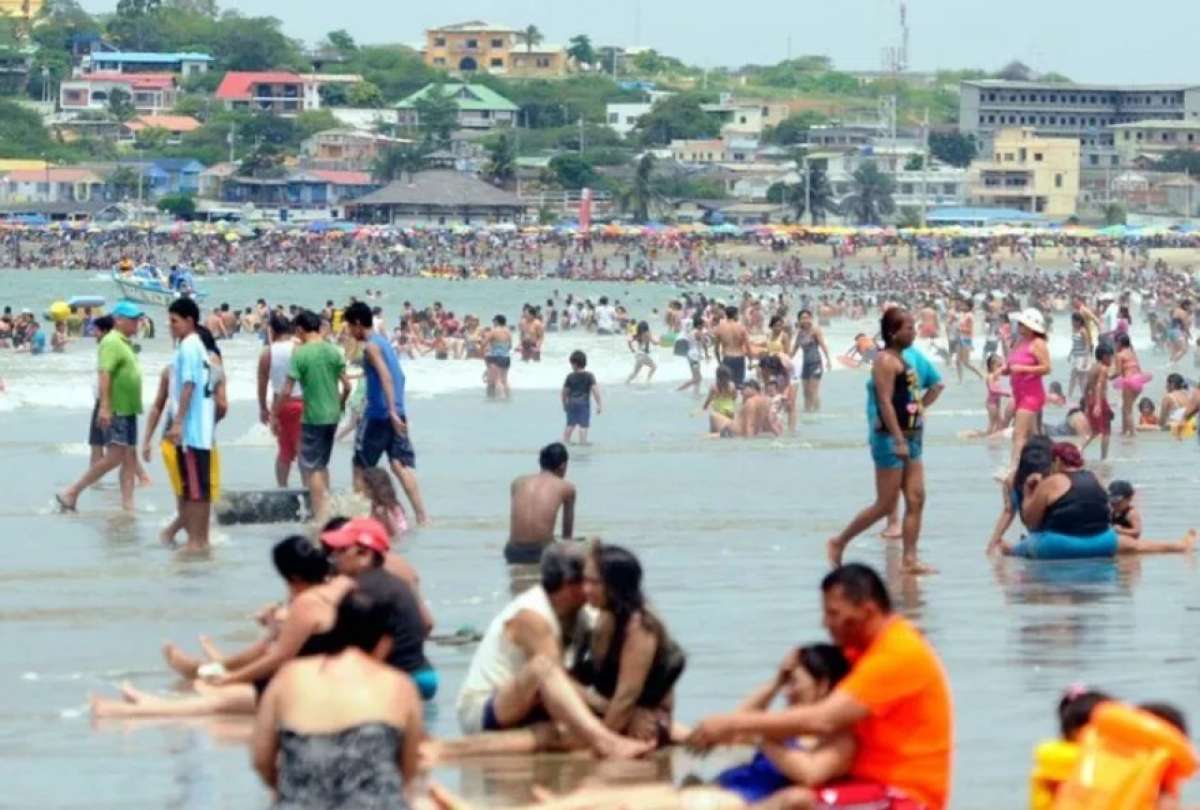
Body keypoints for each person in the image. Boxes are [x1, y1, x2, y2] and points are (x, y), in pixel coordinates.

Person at [686, 564, 953, 810]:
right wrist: (777, 682)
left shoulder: (897, 654)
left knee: (796, 801)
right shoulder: (860, 651)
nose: (825, 623)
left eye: (833, 613)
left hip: (904, 793)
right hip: (860, 782)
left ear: (867, 611)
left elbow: (823, 720)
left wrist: (733, 724)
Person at [91, 535, 350, 718]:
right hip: (325, 684)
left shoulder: (307, 604)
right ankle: (148, 701)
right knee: (212, 693)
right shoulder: (334, 591)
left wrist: (231, 678)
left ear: (291, 577)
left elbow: (279, 656)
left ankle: (119, 711)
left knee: (216, 700)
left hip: (313, 693)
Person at [450, 543, 649, 758]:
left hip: (532, 705)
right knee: (543, 668)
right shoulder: (532, 615)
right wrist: (611, 708)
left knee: (568, 732)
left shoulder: (581, 614)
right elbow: (556, 679)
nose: (594, 587)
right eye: (589, 581)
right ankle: (605, 741)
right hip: (485, 707)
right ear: (570, 585)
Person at [252, 587, 426, 810]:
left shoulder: (289, 676)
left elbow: (262, 760)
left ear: (336, 627)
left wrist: (290, 792)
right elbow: (409, 769)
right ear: (385, 642)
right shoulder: (399, 685)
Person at [827, 308, 943, 574]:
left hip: (913, 436)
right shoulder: (884, 360)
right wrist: (899, 439)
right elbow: (884, 402)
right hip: (890, 439)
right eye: (908, 328)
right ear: (893, 332)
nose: (914, 333)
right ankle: (839, 541)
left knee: (916, 498)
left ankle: (910, 560)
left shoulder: (906, 357)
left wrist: (919, 410)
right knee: (885, 504)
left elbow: (934, 386)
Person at [571, 543, 686, 745]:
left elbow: (626, 699)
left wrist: (601, 744)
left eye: (594, 582)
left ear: (615, 586)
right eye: (585, 580)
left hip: (645, 725)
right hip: (618, 713)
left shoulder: (640, 628)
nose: (585, 589)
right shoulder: (604, 617)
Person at [320, 518, 438, 700]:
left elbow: (381, 643)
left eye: (342, 550)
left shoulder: (361, 591)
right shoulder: (394, 581)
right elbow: (426, 623)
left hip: (398, 678)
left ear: (364, 554)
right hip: (423, 672)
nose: (334, 556)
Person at [344, 302, 428, 527]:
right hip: (397, 413)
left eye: (350, 327)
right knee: (400, 465)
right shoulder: (384, 342)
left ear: (358, 324)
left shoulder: (371, 347)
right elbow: (400, 376)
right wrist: (397, 409)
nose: (349, 332)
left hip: (379, 415)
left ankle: (360, 519)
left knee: (360, 467)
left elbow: (386, 377)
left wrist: (389, 410)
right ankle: (422, 517)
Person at [57, 300, 144, 513]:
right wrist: (105, 407)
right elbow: (104, 373)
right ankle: (72, 492)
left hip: (129, 408)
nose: (138, 323)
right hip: (117, 407)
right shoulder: (111, 341)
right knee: (115, 456)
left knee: (129, 457)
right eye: (133, 319)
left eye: (138, 319)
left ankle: (128, 506)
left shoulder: (124, 342)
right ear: (119, 320)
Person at [276, 310, 350, 527]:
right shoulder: (333, 351)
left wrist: (274, 413)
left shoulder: (301, 354)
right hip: (333, 415)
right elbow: (347, 386)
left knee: (312, 468)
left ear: (300, 330)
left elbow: (287, 390)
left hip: (313, 416)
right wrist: (340, 404)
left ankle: (321, 517)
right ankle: (327, 509)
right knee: (322, 464)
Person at [161, 298, 219, 551]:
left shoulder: (188, 346)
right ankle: (201, 540)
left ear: (189, 320)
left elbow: (188, 384)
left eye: (174, 321)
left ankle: (195, 543)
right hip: (202, 431)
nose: (170, 325)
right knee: (201, 492)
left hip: (192, 433)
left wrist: (178, 422)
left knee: (194, 492)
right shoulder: (200, 347)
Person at [506, 443, 575, 565]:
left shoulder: (518, 482)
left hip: (512, 551)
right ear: (563, 466)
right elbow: (567, 537)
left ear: (541, 462)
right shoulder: (567, 488)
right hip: (541, 553)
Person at [258, 313, 304, 487]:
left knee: (284, 451)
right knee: (302, 450)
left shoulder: (267, 353)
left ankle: (282, 488)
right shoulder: (299, 348)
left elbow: (262, 384)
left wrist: (263, 408)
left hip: (280, 407)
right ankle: (308, 489)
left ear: (272, 331)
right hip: (301, 403)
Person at [1003, 308, 1051, 472]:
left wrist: (1023, 369)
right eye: (1019, 324)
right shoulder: (1019, 342)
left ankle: (1013, 469)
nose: (1019, 326)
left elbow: (1046, 368)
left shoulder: (1038, 343)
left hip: (1032, 394)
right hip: (1019, 393)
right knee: (1032, 436)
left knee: (1018, 434)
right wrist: (1005, 370)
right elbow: (1012, 364)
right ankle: (1044, 464)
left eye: (1022, 324)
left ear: (1031, 326)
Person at [1109, 480, 1197, 551]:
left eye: (1118, 501)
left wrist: (1121, 531)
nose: (1114, 504)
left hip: (1133, 544)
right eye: (1112, 501)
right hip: (1121, 544)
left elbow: (1137, 532)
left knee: (1165, 547)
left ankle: (1186, 544)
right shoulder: (1112, 512)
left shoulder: (1131, 513)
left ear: (1129, 499)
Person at [1112, 332, 1152, 438]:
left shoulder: (1119, 355)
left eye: (1115, 342)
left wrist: (1108, 376)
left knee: (1127, 409)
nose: (1114, 344)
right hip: (1138, 381)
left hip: (1129, 382)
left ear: (1119, 343)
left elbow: (1118, 373)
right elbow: (1138, 368)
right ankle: (1124, 431)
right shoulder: (1132, 353)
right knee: (1125, 407)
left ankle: (1133, 434)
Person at [709, 380, 781, 438]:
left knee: (713, 417)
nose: (741, 392)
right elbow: (771, 423)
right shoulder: (766, 401)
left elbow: (750, 426)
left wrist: (749, 444)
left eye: (743, 389)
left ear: (752, 389)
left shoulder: (751, 402)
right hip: (731, 431)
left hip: (731, 433)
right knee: (714, 418)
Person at [792, 309, 832, 412]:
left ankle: (817, 413)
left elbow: (823, 345)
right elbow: (794, 349)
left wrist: (828, 360)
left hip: (816, 363)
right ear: (799, 320)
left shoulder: (815, 330)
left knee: (813, 391)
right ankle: (807, 412)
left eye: (807, 317)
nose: (805, 320)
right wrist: (786, 360)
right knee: (806, 392)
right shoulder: (800, 333)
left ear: (811, 318)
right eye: (802, 318)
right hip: (805, 365)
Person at [1081, 344, 1114, 461]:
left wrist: (1087, 405)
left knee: (1094, 431)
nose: (1112, 360)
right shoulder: (1103, 368)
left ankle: (1078, 449)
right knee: (1106, 430)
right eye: (1110, 357)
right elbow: (1099, 386)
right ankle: (1104, 458)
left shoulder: (1093, 368)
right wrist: (1098, 405)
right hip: (1100, 401)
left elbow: (1086, 388)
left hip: (1092, 400)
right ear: (1104, 356)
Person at [562, 350, 601, 445]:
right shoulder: (589, 376)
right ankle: (583, 443)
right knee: (583, 426)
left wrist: (564, 404)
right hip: (583, 403)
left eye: (571, 364)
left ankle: (565, 441)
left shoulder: (570, 376)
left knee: (570, 424)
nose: (571, 366)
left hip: (571, 402)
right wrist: (599, 404)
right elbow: (595, 390)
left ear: (575, 364)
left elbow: (564, 392)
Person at [362, 466, 408, 539]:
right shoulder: (379, 504)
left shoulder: (383, 510)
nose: (363, 491)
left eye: (366, 488)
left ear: (375, 489)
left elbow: (396, 534)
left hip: (398, 533)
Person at [714, 306, 751, 388]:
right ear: (735, 315)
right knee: (739, 385)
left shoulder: (720, 328)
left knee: (726, 385)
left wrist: (719, 362)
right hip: (739, 358)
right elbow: (748, 346)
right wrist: (750, 361)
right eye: (738, 314)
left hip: (727, 358)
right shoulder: (741, 327)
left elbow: (716, 349)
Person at [483, 315, 513, 400]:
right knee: (504, 380)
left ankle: (500, 399)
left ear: (496, 321)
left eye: (493, 321)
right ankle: (508, 397)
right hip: (506, 357)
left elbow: (484, 343)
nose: (493, 323)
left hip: (495, 357)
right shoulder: (508, 332)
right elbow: (510, 346)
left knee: (496, 380)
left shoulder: (494, 331)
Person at [1066, 312, 1094, 400]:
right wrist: (1070, 354)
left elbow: (1087, 345)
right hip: (1076, 357)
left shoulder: (1083, 331)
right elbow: (1075, 344)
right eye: (1072, 321)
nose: (1072, 323)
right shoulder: (1075, 330)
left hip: (1082, 358)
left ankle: (1071, 397)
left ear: (1079, 321)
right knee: (1078, 378)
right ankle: (1082, 397)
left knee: (1077, 378)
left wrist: (1086, 359)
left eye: (1073, 321)